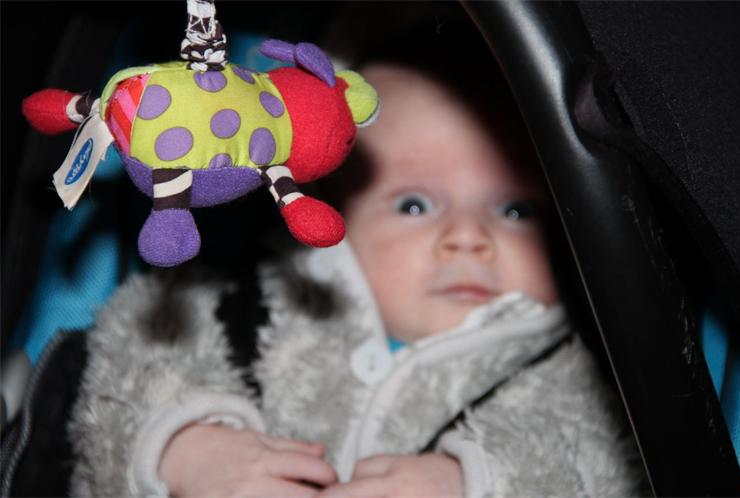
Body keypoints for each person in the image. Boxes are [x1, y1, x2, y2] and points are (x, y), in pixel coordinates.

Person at [68, 7, 645, 498]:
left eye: (515, 211)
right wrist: (189, 449)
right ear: (334, 210)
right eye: (415, 205)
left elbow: (596, 464)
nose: (469, 237)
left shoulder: (571, 374)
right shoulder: (248, 307)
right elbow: (133, 356)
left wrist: (468, 480)